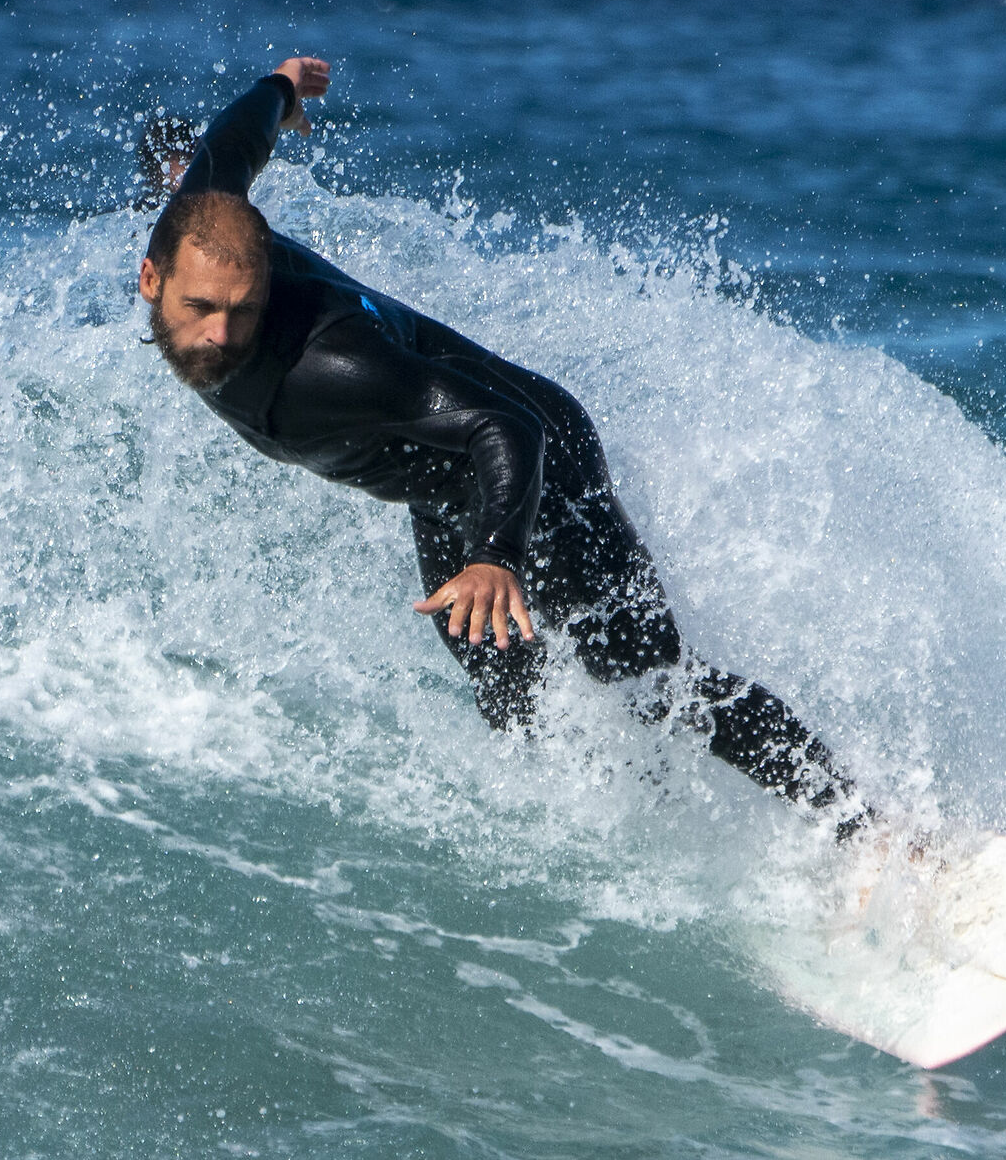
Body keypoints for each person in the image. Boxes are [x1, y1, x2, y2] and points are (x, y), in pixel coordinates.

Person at [138, 57, 871, 838]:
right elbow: (233, 141)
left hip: (532, 460)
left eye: (243, 311)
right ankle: (656, 828)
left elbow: (505, 425)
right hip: (443, 484)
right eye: (201, 307)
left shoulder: (335, 366)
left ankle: (867, 826)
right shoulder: (198, 219)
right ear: (152, 273)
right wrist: (280, 90)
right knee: (513, 704)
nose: (219, 333)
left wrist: (495, 555)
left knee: (654, 681)